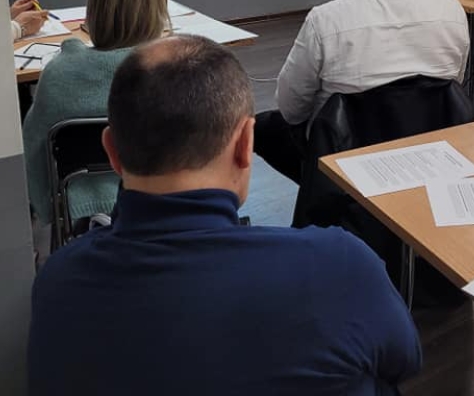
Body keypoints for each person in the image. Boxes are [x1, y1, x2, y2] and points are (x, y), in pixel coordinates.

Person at [28, 35, 422, 396]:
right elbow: (404, 361)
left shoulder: (58, 282)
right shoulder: (340, 266)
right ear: (246, 143)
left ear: (111, 151)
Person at [261, 0, 469, 183]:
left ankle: (318, 195)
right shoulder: (452, 13)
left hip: (345, 167)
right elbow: (453, 86)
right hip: (428, 157)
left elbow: (291, 109)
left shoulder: (326, 21)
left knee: (262, 127)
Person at [21, 0, 169, 255]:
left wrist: (45, 209)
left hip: (79, 201)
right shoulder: (172, 74)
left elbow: (34, 148)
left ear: (94, 10)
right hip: (162, 200)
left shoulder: (58, 75)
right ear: (158, 13)